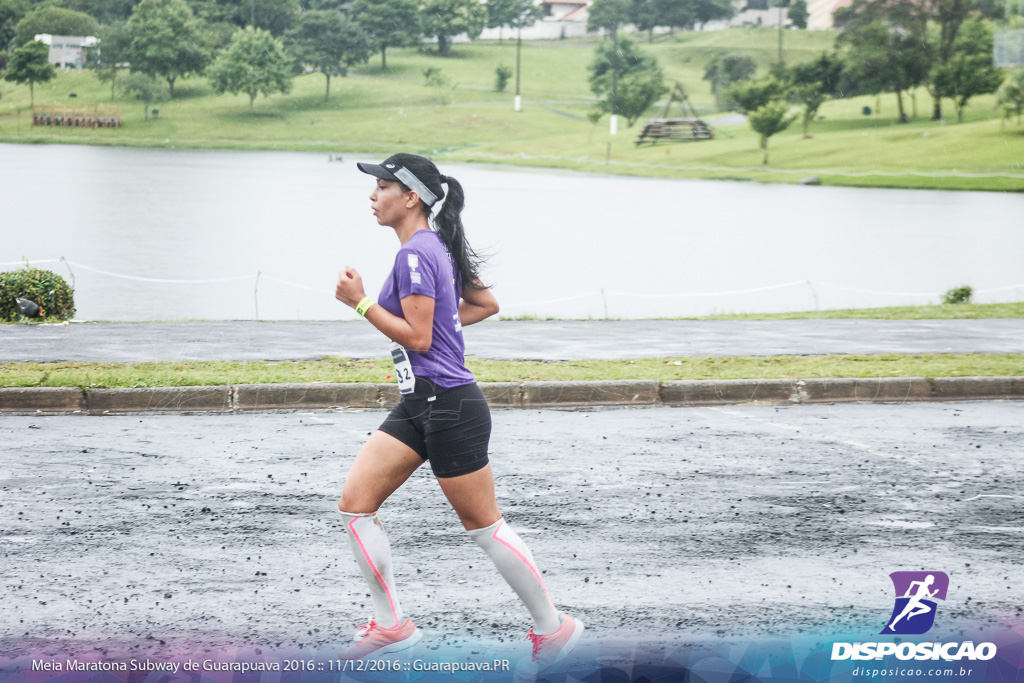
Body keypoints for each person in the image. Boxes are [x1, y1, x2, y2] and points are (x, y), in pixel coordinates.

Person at [333, 153, 583, 670]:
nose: (373, 196)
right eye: (374, 187)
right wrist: (444, 328)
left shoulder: (417, 254)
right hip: (417, 404)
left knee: (484, 527)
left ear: (411, 197)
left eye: (382, 186)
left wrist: (360, 303)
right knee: (356, 505)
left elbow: (419, 335)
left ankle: (554, 628)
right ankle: (390, 625)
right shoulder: (429, 248)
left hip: (450, 405)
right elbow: (481, 306)